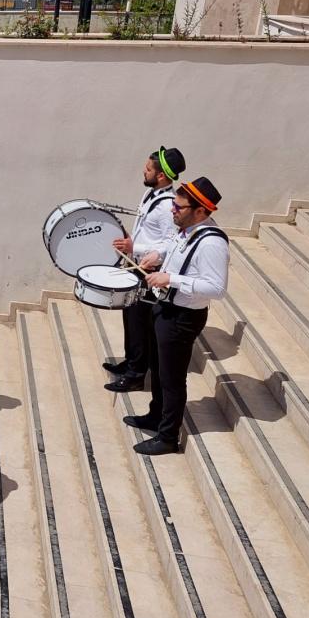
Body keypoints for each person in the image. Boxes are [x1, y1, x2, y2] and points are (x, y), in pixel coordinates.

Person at [123, 177, 229, 456]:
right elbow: (171, 246)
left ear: (201, 212)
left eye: (179, 208)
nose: (173, 211)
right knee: (157, 369)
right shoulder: (185, 229)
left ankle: (168, 436)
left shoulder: (211, 244)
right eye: (174, 205)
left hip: (184, 317)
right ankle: (155, 415)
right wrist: (155, 256)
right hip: (166, 309)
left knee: (172, 378)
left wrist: (171, 279)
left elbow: (216, 288)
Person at [104, 147, 187, 394]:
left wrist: (136, 246)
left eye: (149, 169)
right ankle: (131, 362)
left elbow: (169, 242)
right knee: (130, 316)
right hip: (137, 264)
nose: (144, 170)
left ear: (161, 176)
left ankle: (136, 375)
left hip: (151, 269)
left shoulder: (167, 206)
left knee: (140, 322)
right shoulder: (149, 194)